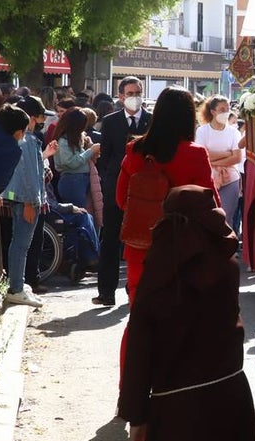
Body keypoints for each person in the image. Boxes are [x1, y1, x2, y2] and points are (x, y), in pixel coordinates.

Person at [118, 186, 255, 441]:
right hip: (228, 398)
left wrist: (136, 413)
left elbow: (141, 344)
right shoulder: (225, 263)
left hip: (176, 408)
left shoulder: (159, 270)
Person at [117, 86, 216, 302]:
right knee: (178, 323)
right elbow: (211, 205)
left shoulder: (135, 150)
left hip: (140, 244)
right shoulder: (195, 153)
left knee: (141, 321)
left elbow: (121, 198)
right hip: (183, 249)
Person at [94, 76, 152, 307]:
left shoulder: (151, 120)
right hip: (115, 186)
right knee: (110, 239)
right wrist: (109, 180)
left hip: (145, 190)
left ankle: (137, 290)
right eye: (129, 93)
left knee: (142, 240)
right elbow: (105, 155)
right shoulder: (111, 121)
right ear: (120, 96)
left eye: (137, 92)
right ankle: (106, 292)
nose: (134, 97)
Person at [2, 96, 59, 307]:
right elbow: (28, 174)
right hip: (27, 200)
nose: (43, 120)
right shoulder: (27, 140)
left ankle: (18, 284)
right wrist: (28, 202)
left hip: (24, 198)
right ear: (32, 118)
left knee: (19, 244)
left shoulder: (26, 139)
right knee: (21, 244)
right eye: (41, 115)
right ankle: (16, 287)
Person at [194, 94, 243, 229]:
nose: (226, 112)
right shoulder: (202, 131)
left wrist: (214, 161)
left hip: (230, 179)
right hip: (208, 178)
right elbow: (202, 155)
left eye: (227, 109)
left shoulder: (234, 132)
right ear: (213, 111)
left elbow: (237, 157)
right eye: (222, 109)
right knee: (208, 216)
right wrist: (227, 154)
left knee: (226, 218)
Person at [51, 108, 99, 209]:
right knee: (79, 213)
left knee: (86, 211)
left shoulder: (72, 139)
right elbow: (71, 162)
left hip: (79, 180)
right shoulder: (63, 141)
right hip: (72, 181)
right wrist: (91, 151)